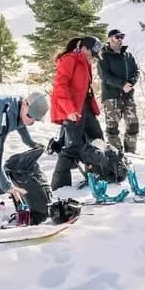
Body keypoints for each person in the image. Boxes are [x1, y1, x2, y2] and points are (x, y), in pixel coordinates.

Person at [50, 35, 104, 190]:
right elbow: (60, 86)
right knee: (74, 147)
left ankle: (95, 176)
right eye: (91, 53)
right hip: (71, 109)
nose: (92, 57)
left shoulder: (84, 61)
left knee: (97, 139)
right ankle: (59, 186)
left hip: (84, 107)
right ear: (84, 48)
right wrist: (69, 110)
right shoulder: (69, 60)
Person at [98, 28, 141, 155]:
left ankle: (130, 152)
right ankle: (116, 153)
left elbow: (136, 71)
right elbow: (104, 76)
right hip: (111, 96)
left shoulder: (128, 56)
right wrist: (122, 84)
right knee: (112, 127)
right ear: (110, 39)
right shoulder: (103, 56)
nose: (120, 40)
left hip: (128, 96)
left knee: (133, 124)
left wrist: (131, 83)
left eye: (122, 37)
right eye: (117, 37)